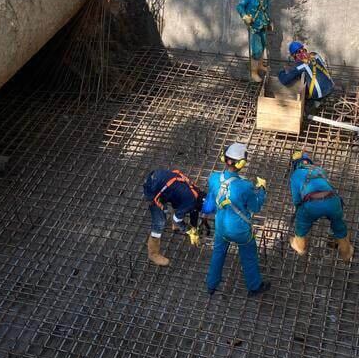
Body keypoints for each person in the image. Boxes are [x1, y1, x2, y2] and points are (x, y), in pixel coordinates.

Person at [202, 142, 270, 296]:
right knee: (249, 257)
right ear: (242, 163)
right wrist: (262, 190)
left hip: (221, 227)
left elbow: (210, 200)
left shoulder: (213, 178)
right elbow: (256, 207)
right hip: (240, 230)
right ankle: (254, 287)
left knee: (218, 253)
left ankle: (211, 285)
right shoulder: (245, 186)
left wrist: (205, 216)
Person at [288, 151, 353, 262]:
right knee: (338, 225)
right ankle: (346, 253)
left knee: (301, 224)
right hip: (332, 201)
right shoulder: (319, 170)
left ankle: (300, 247)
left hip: (312, 204)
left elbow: (297, 200)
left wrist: (300, 214)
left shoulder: (295, 175)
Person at [142, 168, 205, 267]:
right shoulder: (192, 201)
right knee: (160, 222)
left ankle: (176, 226)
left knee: (180, 204)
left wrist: (194, 228)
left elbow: (194, 210)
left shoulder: (197, 194)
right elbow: (180, 216)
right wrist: (189, 230)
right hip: (152, 189)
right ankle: (153, 254)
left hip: (163, 181)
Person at [236, 0, 280, 83]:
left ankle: (260, 65)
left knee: (263, 45)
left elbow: (266, 8)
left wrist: (269, 22)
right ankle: (253, 72)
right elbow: (240, 6)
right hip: (254, 26)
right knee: (256, 50)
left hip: (263, 24)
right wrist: (245, 16)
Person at [278, 41, 334, 105]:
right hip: (331, 87)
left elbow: (284, 80)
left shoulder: (300, 66)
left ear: (294, 55)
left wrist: (281, 72)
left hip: (320, 95)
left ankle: (313, 106)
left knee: (304, 96)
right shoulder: (315, 55)